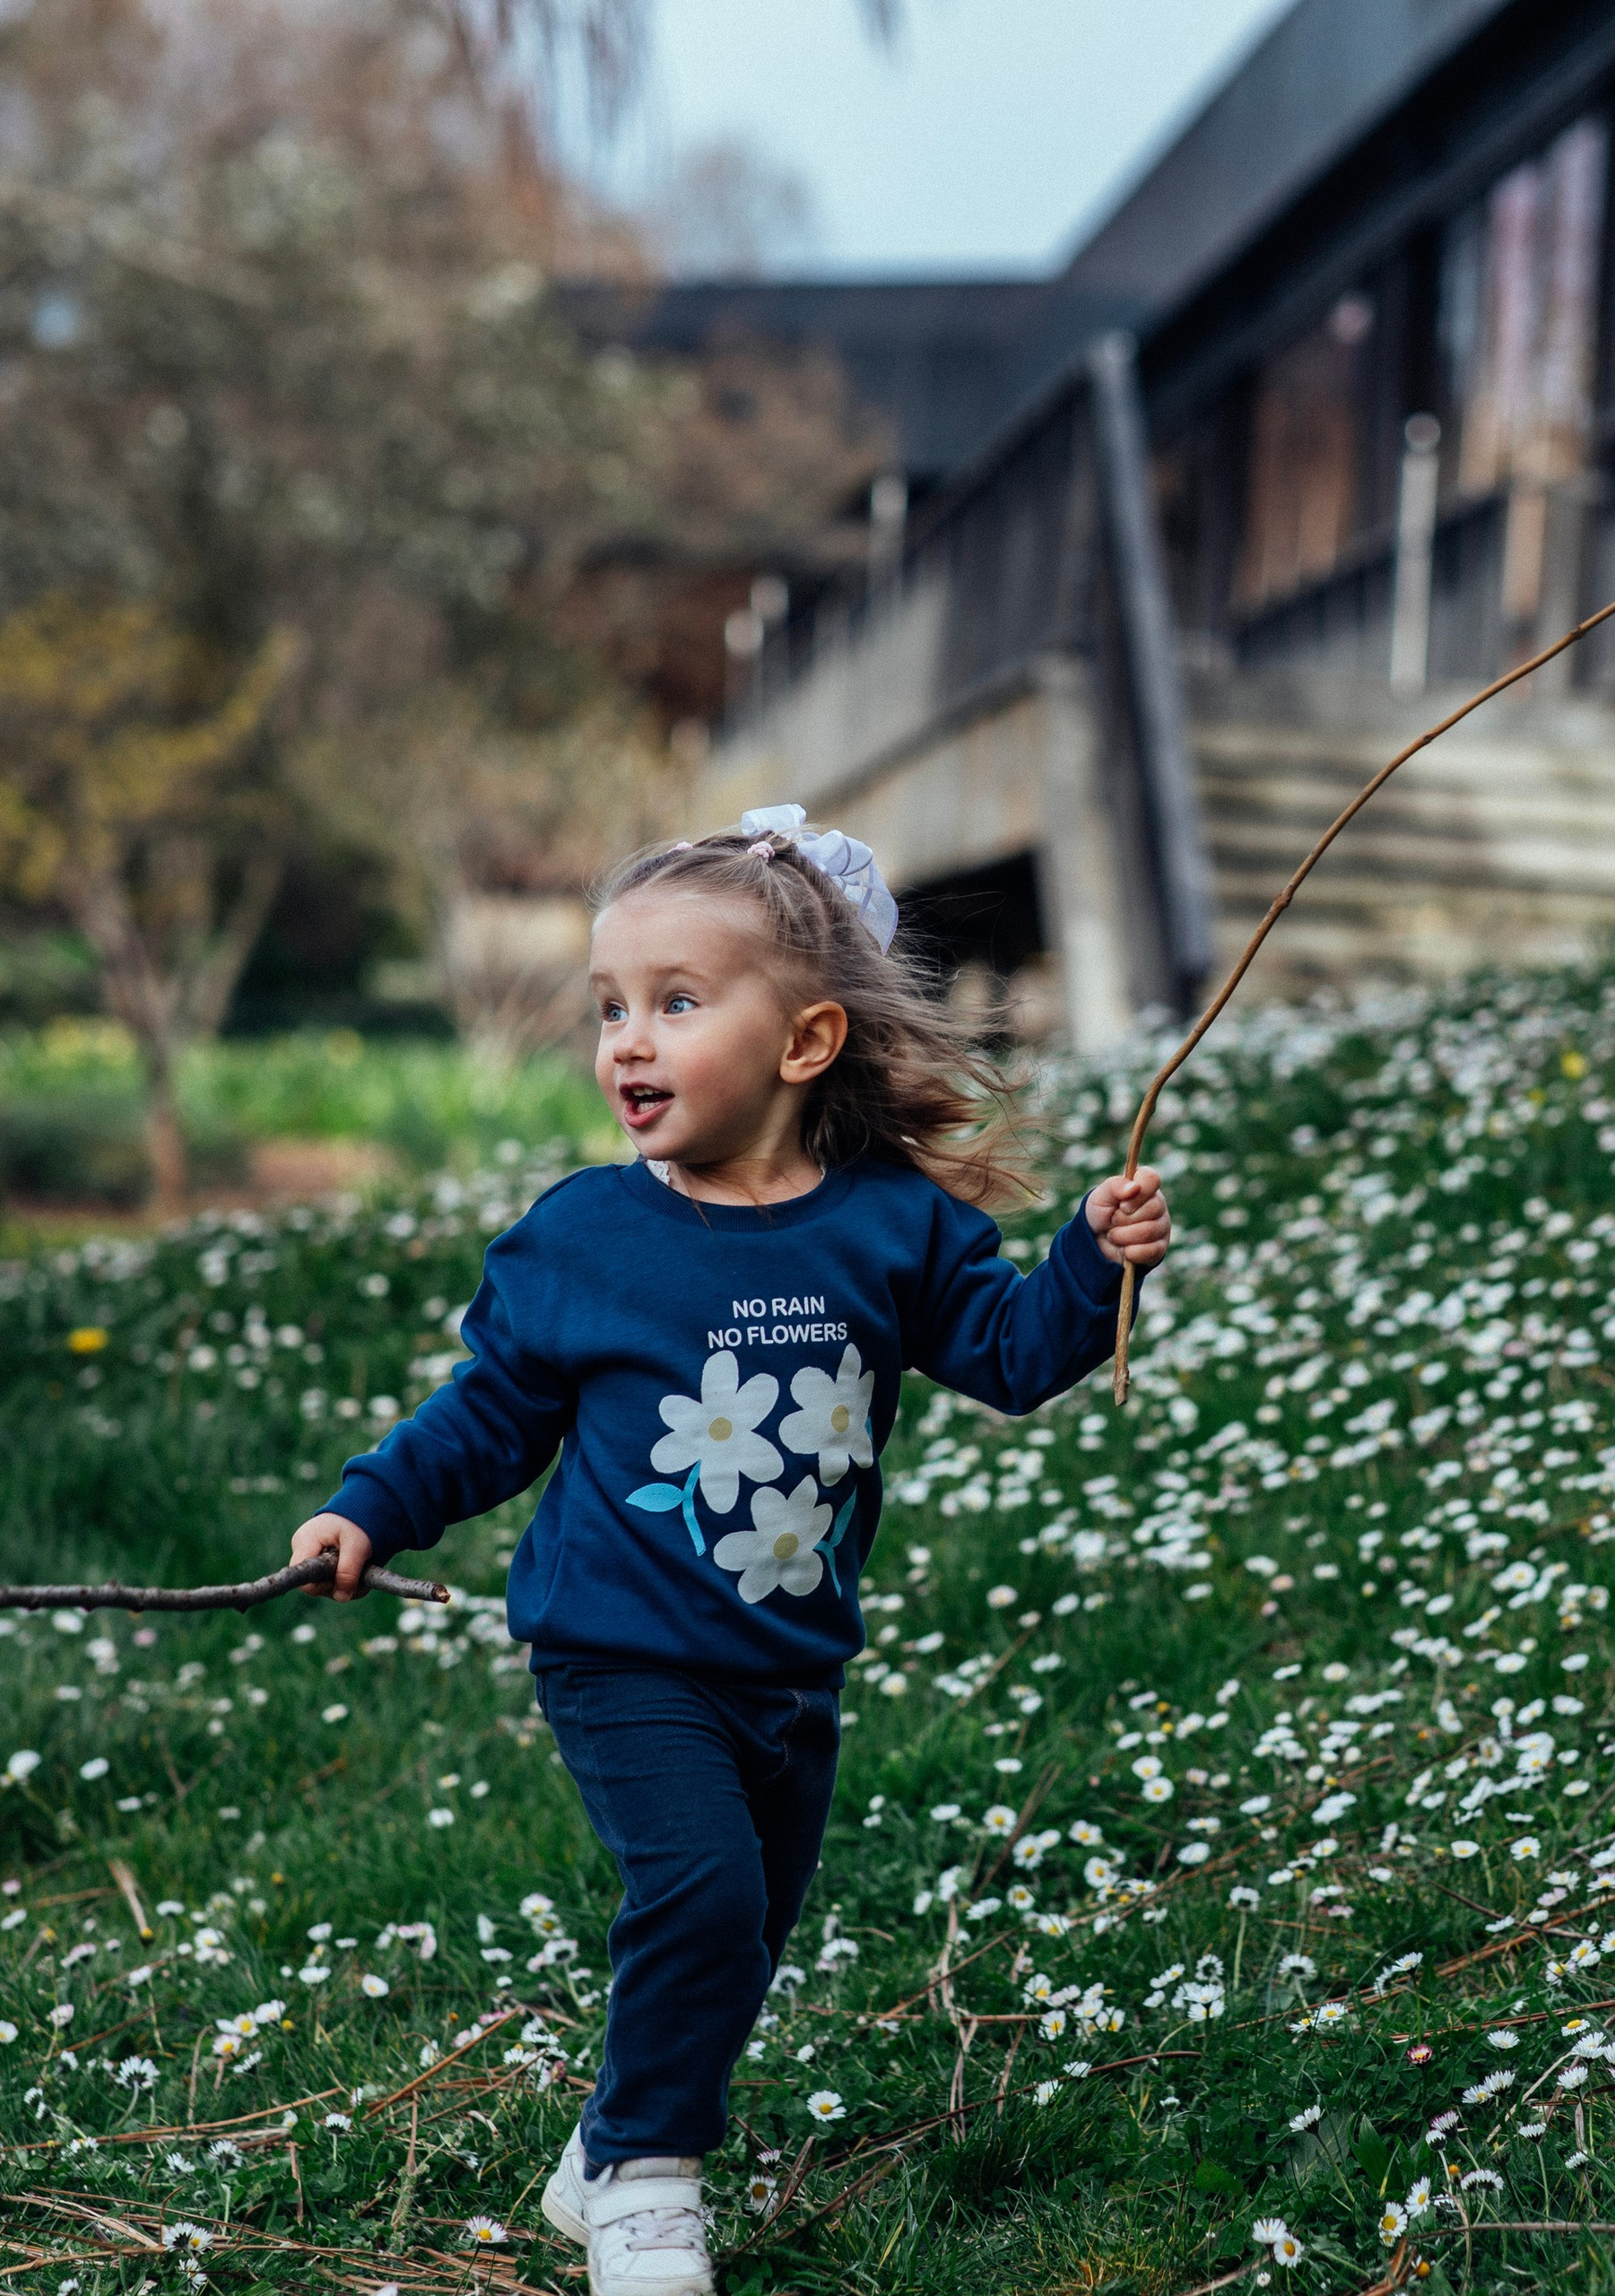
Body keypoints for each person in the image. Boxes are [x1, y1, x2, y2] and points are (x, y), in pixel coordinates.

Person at [284, 805, 1169, 2296]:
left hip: (789, 1661)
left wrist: (1090, 1260)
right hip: (619, 1648)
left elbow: (1013, 1355)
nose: (628, 1042)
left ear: (808, 1041)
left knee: (747, 1929)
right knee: (697, 1895)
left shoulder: (892, 1227)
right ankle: (645, 2190)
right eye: (610, 1007)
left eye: (677, 1004)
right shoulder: (584, 1239)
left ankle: (607, 2141)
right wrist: (373, 1505)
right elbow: (491, 1413)